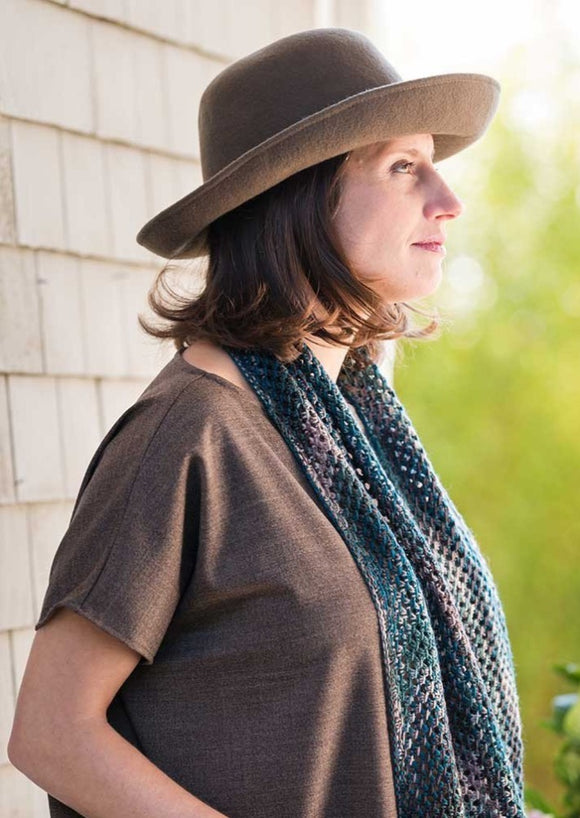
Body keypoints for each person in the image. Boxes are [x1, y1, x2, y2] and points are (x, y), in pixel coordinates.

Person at [8, 27, 526, 818]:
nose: (447, 201)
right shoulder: (187, 432)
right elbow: (52, 732)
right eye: (402, 168)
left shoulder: (351, 424)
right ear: (301, 195)